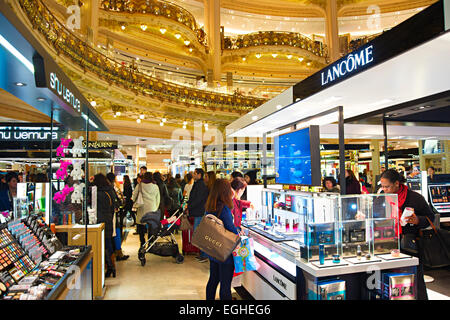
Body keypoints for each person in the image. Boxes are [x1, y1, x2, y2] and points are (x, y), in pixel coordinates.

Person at [380, 169, 435, 300]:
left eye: (387, 186)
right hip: (387, 244)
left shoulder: (414, 198)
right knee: (390, 280)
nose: (384, 189)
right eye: (382, 186)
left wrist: (418, 220)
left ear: (397, 183)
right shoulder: (381, 198)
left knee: (414, 280)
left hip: (410, 245)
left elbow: (430, 217)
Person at [205, 179, 239, 300]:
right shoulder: (224, 208)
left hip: (213, 249)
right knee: (225, 286)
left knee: (213, 281)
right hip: (224, 253)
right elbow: (231, 229)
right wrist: (238, 230)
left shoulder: (210, 205)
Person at [93, 173, 116, 278]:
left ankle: (109, 266)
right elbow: (113, 207)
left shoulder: (97, 193)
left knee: (103, 244)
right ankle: (111, 266)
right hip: (109, 219)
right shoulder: (110, 190)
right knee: (108, 242)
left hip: (99, 220)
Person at [132, 172, 160, 247]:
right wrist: (155, 208)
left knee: (141, 226)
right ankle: (150, 242)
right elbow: (158, 199)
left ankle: (142, 242)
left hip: (142, 208)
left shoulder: (140, 185)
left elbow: (134, 197)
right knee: (151, 226)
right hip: (152, 208)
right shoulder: (155, 186)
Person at [106, 173, 129, 261]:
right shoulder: (111, 188)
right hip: (112, 215)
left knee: (113, 233)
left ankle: (114, 254)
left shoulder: (108, 188)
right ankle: (117, 252)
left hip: (108, 215)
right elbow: (117, 201)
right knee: (116, 231)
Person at [187, 168, 209, 263]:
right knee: (198, 233)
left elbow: (198, 199)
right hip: (197, 212)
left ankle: (204, 254)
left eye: (195, 173)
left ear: (199, 174)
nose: (193, 175)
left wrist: (189, 206)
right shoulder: (198, 184)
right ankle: (202, 253)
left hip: (200, 212)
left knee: (199, 234)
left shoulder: (201, 185)